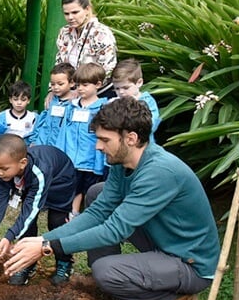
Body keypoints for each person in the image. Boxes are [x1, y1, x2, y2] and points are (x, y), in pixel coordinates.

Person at [3, 97, 220, 300]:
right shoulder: (122, 162)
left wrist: (47, 247)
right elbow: (98, 213)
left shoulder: (159, 172)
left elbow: (114, 230)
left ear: (131, 138)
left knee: (105, 272)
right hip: (161, 239)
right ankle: (111, 281)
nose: (97, 146)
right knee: (97, 193)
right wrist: (44, 239)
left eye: (104, 140)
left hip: (189, 263)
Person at [0, 134, 76, 286]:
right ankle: (28, 263)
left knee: (56, 222)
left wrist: (10, 235)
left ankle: (64, 262)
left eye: (3, 169)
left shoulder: (40, 171)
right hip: (30, 180)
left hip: (60, 181)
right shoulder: (4, 172)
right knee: (28, 224)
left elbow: (32, 209)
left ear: (23, 163)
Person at [56, 63, 108, 218]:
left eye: (85, 85)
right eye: (78, 85)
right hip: (72, 158)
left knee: (89, 187)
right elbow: (64, 131)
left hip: (92, 159)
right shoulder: (71, 107)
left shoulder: (103, 107)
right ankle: (73, 212)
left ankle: (85, 214)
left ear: (98, 84)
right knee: (74, 185)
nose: (80, 89)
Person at [56, 0, 117, 96]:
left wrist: (80, 91)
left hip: (98, 94)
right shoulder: (64, 32)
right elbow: (59, 65)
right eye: (66, 13)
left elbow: (108, 69)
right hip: (67, 93)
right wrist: (53, 89)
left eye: (75, 12)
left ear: (87, 9)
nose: (70, 17)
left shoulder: (101, 33)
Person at [110, 58, 161, 143]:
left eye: (126, 88)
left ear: (139, 83)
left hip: (143, 146)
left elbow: (151, 125)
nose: (121, 92)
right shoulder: (114, 102)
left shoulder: (147, 102)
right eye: (117, 88)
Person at [31, 62, 75, 148]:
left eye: (60, 84)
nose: (56, 87)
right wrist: (34, 140)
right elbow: (40, 122)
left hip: (60, 148)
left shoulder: (74, 104)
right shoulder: (50, 101)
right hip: (42, 144)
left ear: (72, 83)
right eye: (52, 84)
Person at [0, 80, 36, 146]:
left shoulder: (33, 117)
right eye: (15, 99)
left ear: (28, 100)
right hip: (5, 148)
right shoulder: (2, 116)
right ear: (10, 100)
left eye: (23, 99)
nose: (19, 103)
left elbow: (36, 135)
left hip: (26, 149)